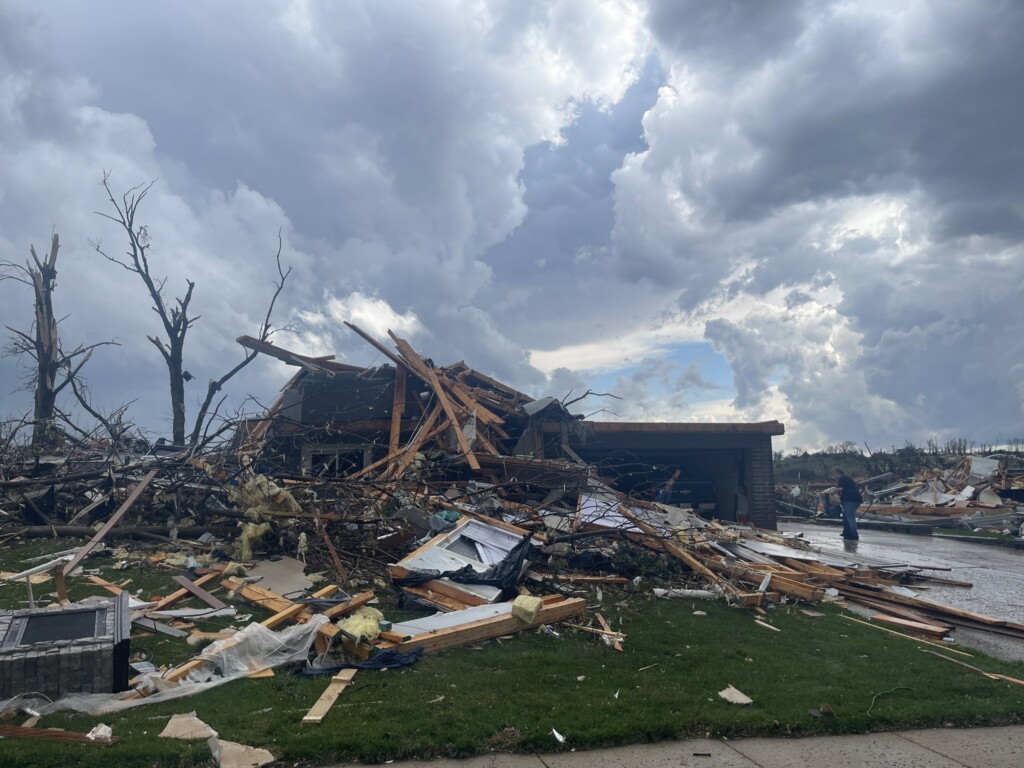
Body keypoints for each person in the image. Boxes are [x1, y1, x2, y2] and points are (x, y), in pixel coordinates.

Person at [831, 467, 862, 540]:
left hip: (849, 500)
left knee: (850, 517)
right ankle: (846, 532)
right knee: (845, 515)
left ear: (838, 473)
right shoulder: (847, 478)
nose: (834, 475)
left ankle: (854, 535)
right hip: (856, 499)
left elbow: (841, 488)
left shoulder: (842, 479)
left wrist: (833, 490)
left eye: (834, 473)